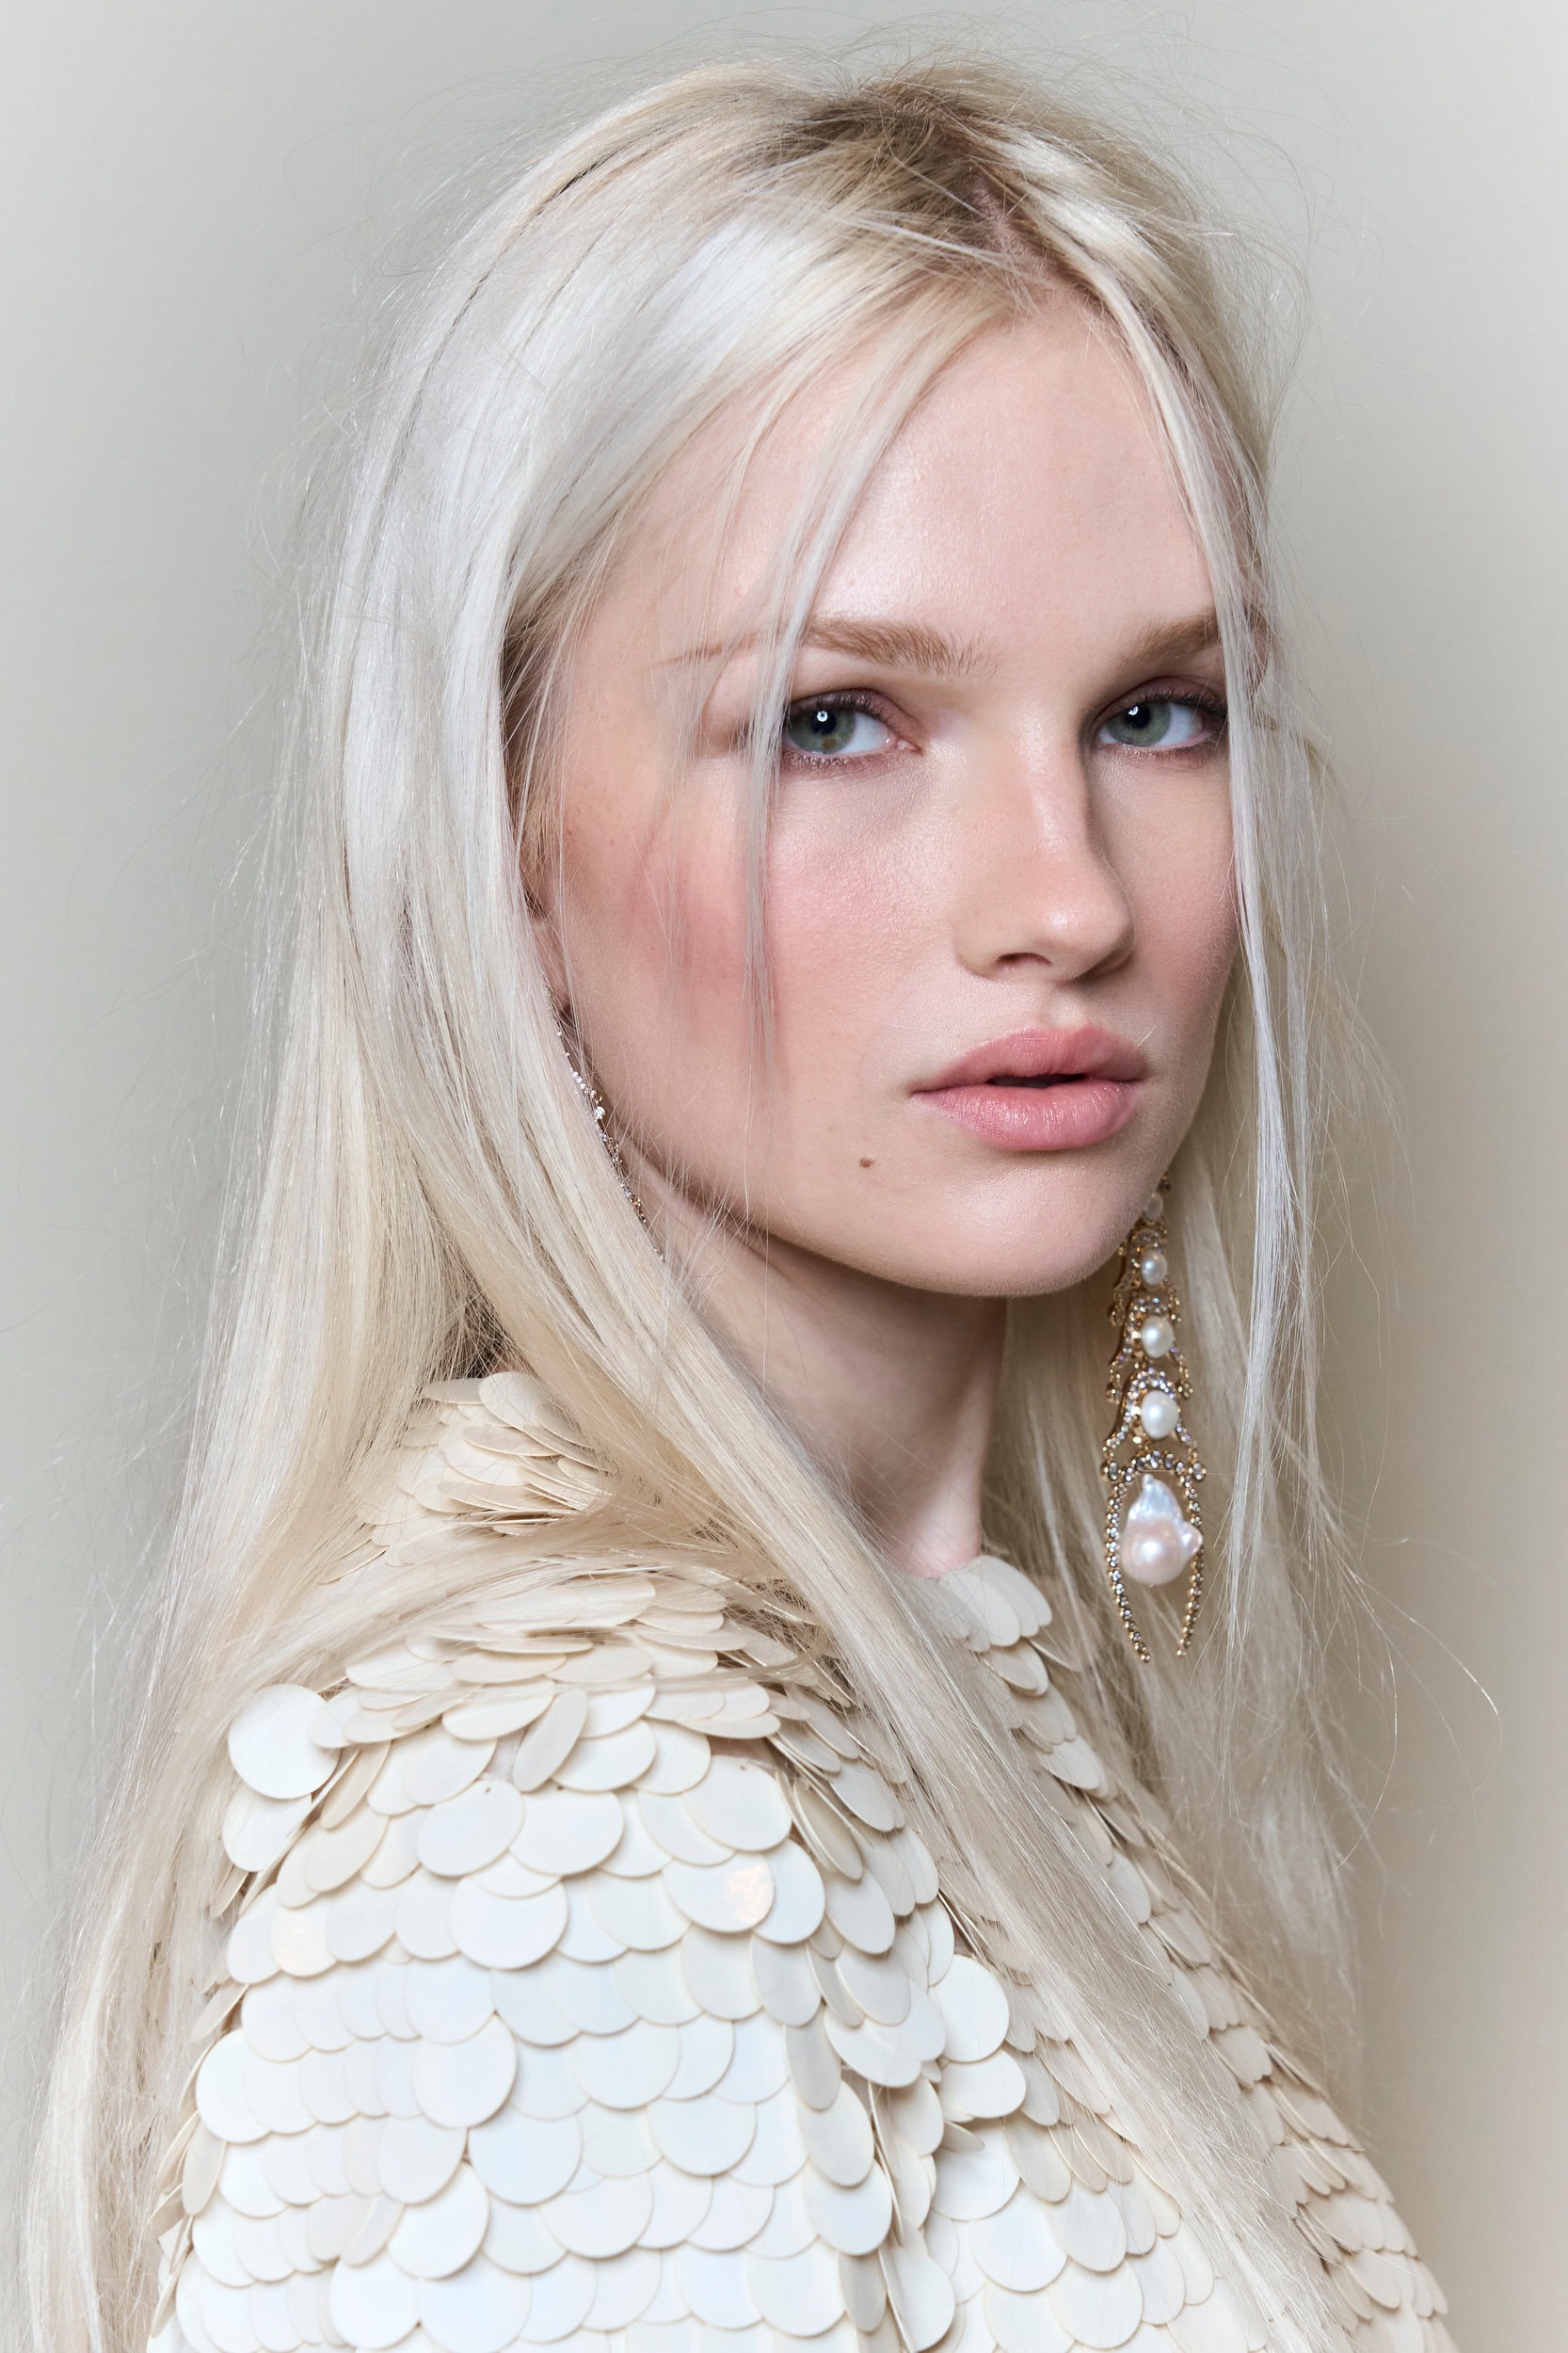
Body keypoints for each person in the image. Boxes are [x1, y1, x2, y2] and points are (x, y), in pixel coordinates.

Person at [24, 58, 1452, 2353]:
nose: (1066, 899)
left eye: (1153, 711)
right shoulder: (565, 1801)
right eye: (834, 719)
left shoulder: (899, 1700)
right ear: (504, 837)